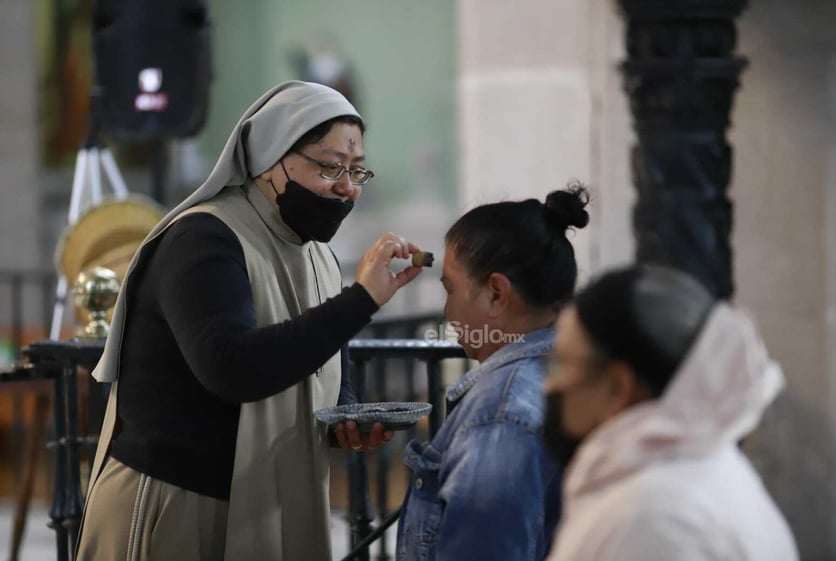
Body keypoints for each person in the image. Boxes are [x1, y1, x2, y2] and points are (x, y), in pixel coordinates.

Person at [75, 81, 424, 561]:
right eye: (330, 167)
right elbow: (231, 366)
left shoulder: (315, 252)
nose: (346, 187)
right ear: (270, 159)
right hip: (177, 504)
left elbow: (319, 355)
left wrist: (343, 412)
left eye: (356, 170)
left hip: (268, 498)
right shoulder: (204, 237)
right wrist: (362, 298)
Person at [543, 265, 799, 561]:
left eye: (562, 364)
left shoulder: (649, 520)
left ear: (617, 387)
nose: (550, 384)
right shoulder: (697, 471)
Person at [396, 186, 590, 561]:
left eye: (450, 289)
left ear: (496, 294)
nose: (448, 310)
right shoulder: (572, 372)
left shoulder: (501, 416)